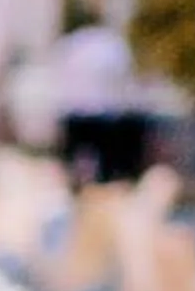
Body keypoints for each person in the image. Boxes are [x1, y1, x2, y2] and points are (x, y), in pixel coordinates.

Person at [51, 16, 138, 184]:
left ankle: (79, 184)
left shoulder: (72, 42)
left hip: (75, 108)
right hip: (101, 111)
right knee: (102, 162)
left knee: (74, 158)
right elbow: (121, 76)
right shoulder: (112, 44)